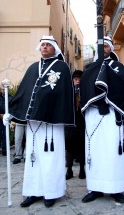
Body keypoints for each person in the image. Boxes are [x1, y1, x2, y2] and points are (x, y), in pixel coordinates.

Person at [3, 35, 75, 208]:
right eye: (42, 45)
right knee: (33, 159)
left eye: (48, 45)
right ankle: (33, 192)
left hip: (52, 121)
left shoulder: (62, 67)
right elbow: (23, 93)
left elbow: (63, 94)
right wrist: (10, 112)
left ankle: (51, 192)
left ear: (54, 49)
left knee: (51, 158)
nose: (44, 47)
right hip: (34, 123)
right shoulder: (33, 68)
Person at [80, 36, 124, 204]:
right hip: (94, 114)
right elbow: (85, 90)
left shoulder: (118, 66)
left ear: (111, 49)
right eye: (101, 47)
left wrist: (105, 75)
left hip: (111, 113)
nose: (103, 49)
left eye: (106, 46)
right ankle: (94, 188)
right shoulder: (89, 68)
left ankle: (116, 189)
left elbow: (123, 85)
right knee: (94, 152)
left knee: (112, 152)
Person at [65, 69, 86, 180]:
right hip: (71, 123)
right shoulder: (69, 91)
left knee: (82, 147)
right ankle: (69, 170)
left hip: (81, 123)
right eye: (76, 79)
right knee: (70, 148)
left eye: (79, 79)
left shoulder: (85, 91)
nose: (77, 81)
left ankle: (82, 170)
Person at [0, 88, 13, 156]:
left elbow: (12, 109)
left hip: (7, 118)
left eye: (5, 89)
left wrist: (6, 116)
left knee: (6, 134)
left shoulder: (11, 98)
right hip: (0, 118)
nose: (4, 90)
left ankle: (5, 151)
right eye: (2, 89)